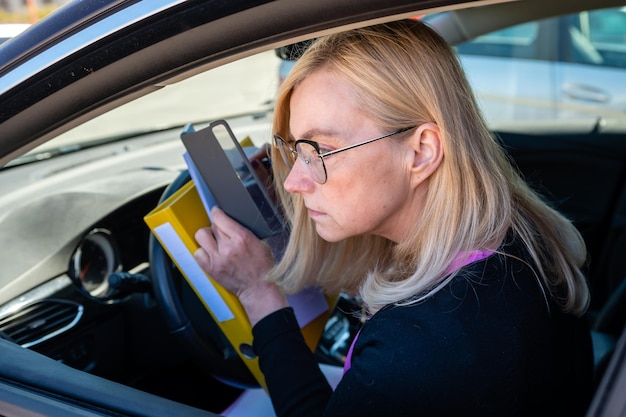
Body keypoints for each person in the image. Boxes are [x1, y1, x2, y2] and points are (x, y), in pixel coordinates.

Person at [194, 19, 593, 417]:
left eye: (319, 151)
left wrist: (256, 293)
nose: (295, 182)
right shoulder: (515, 236)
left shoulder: (421, 343)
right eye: (294, 150)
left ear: (421, 152)